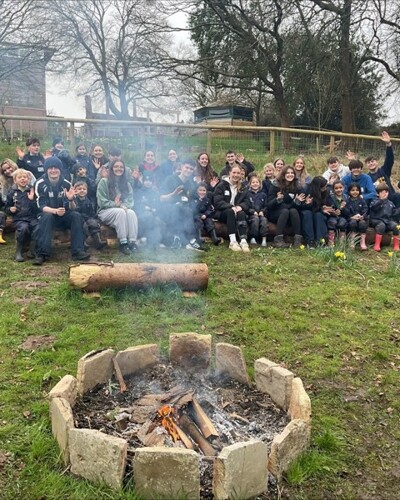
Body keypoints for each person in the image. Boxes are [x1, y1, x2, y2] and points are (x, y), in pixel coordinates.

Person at [33, 156, 90, 265]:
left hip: (63, 215)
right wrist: (55, 211)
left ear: (60, 169)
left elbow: (72, 207)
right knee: (47, 217)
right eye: (50, 168)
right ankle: (42, 254)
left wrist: (71, 199)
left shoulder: (67, 183)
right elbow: (40, 206)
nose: (53, 170)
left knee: (76, 215)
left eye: (56, 168)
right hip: (47, 214)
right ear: (46, 170)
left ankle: (78, 251)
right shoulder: (40, 183)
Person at [159, 159, 204, 251]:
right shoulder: (170, 179)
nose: (188, 170)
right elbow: (161, 198)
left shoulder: (191, 184)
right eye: (186, 167)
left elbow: (192, 201)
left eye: (191, 169)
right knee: (177, 206)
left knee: (188, 210)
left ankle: (191, 240)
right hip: (167, 209)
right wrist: (173, 194)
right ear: (181, 167)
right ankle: (176, 238)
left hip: (184, 211)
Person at [97, 159, 139, 255]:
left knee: (131, 213)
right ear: (111, 169)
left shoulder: (127, 184)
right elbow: (101, 202)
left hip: (122, 210)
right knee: (120, 212)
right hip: (105, 211)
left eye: (121, 167)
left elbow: (130, 201)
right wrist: (116, 204)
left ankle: (132, 242)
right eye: (116, 167)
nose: (119, 169)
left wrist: (123, 205)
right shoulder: (104, 182)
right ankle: (123, 243)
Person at [213, 163, 251, 252]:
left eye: (238, 173)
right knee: (230, 211)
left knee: (241, 212)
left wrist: (241, 206)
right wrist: (231, 206)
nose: (236, 175)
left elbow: (247, 201)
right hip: (223, 213)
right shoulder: (221, 185)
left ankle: (243, 240)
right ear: (229, 173)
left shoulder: (243, 187)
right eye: (234, 172)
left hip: (237, 212)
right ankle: (233, 241)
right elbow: (217, 202)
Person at [5, 169, 39, 261]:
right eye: (20, 177)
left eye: (25, 177)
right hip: (19, 218)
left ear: (28, 179)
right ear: (15, 180)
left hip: (32, 217)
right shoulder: (12, 193)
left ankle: (32, 250)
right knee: (23, 228)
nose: (23, 179)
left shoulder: (32, 191)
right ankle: (19, 251)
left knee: (37, 227)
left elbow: (37, 208)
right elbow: (7, 207)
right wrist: (10, 209)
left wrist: (32, 199)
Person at [267, 165, 303, 248]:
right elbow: (269, 205)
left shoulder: (296, 186)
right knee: (285, 211)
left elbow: (295, 206)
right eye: (287, 173)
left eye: (292, 173)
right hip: (275, 212)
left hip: (289, 212)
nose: (290, 175)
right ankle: (278, 240)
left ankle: (297, 240)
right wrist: (277, 200)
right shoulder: (275, 185)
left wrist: (296, 202)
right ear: (283, 174)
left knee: (293, 211)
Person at [1, 159, 35, 244]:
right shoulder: (6, 182)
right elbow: (5, 198)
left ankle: (32, 247)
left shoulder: (27, 173)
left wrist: (31, 198)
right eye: (4, 170)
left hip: (30, 208)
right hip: (17, 210)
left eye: (9, 168)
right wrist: (11, 207)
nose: (7, 171)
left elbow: (35, 187)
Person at [364, 132, 400, 207]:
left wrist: (388, 144)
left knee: (398, 196)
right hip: (378, 202)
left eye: (372, 161)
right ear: (366, 165)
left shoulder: (384, 170)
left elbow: (390, 159)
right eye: (368, 162)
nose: (371, 163)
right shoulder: (367, 178)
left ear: (377, 162)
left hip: (391, 198)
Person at [135, 172, 167, 248]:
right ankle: (142, 239)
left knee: (160, 222)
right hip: (141, 215)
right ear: (143, 181)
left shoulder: (155, 193)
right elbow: (136, 204)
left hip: (153, 214)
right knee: (148, 217)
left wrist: (154, 210)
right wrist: (145, 208)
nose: (148, 183)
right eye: (146, 180)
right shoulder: (138, 191)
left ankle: (156, 241)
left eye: (150, 181)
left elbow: (158, 205)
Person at [72, 180, 107, 250]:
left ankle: (98, 241)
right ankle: (84, 244)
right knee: (84, 227)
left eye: (84, 189)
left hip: (89, 218)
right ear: (75, 191)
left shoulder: (88, 201)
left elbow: (92, 212)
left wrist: (96, 219)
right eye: (79, 189)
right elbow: (75, 210)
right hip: (80, 219)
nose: (82, 190)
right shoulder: (74, 200)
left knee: (94, 223)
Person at [301, 176, 331, 247]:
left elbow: (325, 205)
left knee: (318, 215)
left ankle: (321, 241)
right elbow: (300, 206)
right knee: (307, 213)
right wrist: (307, 204)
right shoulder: (306, 191)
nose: (325, 189)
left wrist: (324, 207)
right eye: (323, 187)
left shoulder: (326, 192)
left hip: (319, 213)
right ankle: (310, 241)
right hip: (307, 212)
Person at [369, 183, 400, 252]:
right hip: (376, 220)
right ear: (377, 194)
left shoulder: (390, 203)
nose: (384, 194)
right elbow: (374, 208)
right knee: (381, 225)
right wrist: (381, 200)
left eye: (386, 192)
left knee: (395, 226)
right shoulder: (374, 201)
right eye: (382, 192)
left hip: (387, 221)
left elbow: (394, 213)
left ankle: (396, 245)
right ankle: (377, 244)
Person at [191, 182, 221, 246]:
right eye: (200, 190)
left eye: (204, 190)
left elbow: (210, 209)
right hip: (196, 215)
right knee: (198, 221)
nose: (202, 192)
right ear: (197, 191)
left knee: (209, 221)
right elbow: (193, 209)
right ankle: (199, 238)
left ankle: (214, 238)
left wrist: (206, 214)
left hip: (205, 215)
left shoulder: (207, 199)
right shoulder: (194, 199)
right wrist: (199, 201)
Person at [345, 182, 369, 250]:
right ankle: (352, 241)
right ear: (349, 191)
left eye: (357, 190)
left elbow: (365, 210)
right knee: (353, 223)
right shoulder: (347, 201)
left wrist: (362, 216)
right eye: (353, 190)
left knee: (362, 223)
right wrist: (351, 217)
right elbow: (346, 212)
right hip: (352, 219)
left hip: (361, 219)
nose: (355, 192)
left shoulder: (362, 200)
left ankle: (362, 241)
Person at [247, 175, 268, 246]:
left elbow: (266, 206)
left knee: (264, 220)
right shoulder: (247, 194)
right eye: (253, 182)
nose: (255, 184)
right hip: (251, 215)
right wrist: (252, 212)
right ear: (250, 184)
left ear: (259, 184)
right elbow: (246, 206)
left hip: (261, 214)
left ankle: (264, 238)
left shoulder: (263, 194)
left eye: (257, 182)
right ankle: (253, 237)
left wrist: (263, 211)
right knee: (255, 220)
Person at [326, 180, 348, 247]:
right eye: (336, 188)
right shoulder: (330, 198)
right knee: (332, 222)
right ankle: (331, 242)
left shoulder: (346, 198)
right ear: (333, 189)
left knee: (343, 223)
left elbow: (348, 212)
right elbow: (328, 207)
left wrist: (343, 208)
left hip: (342, 216)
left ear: (343, 188)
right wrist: (333, 212)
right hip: (332, 216)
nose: (339, 190)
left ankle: (341, 243)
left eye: (340, 187)